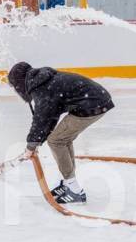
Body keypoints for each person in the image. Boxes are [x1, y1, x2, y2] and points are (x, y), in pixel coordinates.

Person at [8, 62, 114, 204]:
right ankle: (68, 183)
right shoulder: (43, 81)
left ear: (19, 83)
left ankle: (74, 191)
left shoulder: (42, 89)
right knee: (62, 138)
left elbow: (42, 120)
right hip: (96, 100)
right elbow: (50, 118)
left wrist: (31, 146)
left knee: (56, 141)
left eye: (15, 87)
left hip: (92, 104)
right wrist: (37, 141)